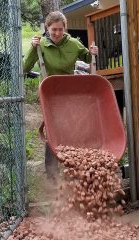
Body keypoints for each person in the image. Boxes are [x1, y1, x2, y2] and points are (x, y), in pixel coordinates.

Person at [23, 11, 98, 179]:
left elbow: (88, 57)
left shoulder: (73, 44)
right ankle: (52, 174)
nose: (57, 33)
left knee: (73, 128)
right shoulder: (41, 44)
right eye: (53, 29)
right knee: (53, 130)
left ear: (65, 28)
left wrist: (93, 52)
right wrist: (32, 47)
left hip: (69, 92)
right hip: (49, 93)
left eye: (60, 29)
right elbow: (25, 67)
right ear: (47, 28)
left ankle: (73, 167)